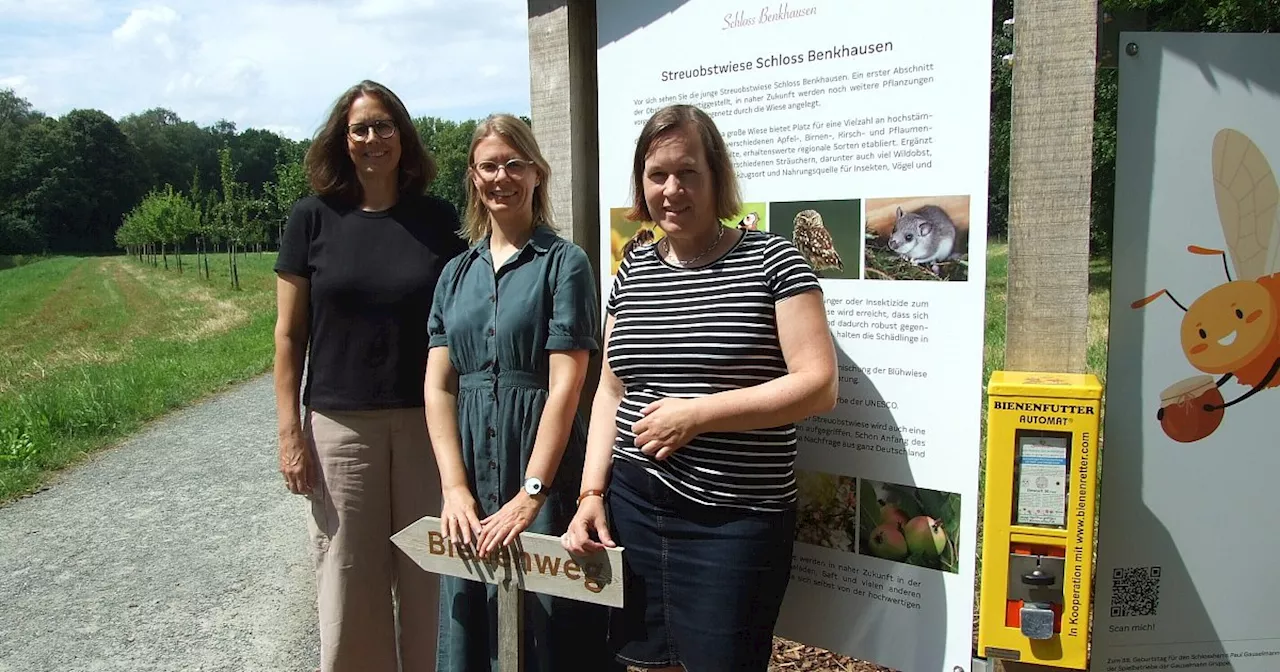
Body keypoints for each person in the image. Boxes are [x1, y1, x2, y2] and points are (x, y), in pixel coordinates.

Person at [561, 103, 839, 672]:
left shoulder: (774, 260)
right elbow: (610, 389)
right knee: (642, 663)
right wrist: (591, 495)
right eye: (656, 174)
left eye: (688, 172)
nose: (671, 189)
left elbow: (818, 386)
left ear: (716, 177)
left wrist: (698, 415)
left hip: (734, 520)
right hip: (635, 506)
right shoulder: (632, 268)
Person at [272, 79, 469, 672]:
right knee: (348, 575)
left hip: (424, 424)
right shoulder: (311, 218)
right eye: (360, 128)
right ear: (343, 139)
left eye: (384, 126)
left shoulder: (436, 219)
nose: (373, 138)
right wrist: (290, 434)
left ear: (403, 138)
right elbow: (288, 336)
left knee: (430, 572)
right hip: (340, 426)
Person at [424, 113, 622, 672]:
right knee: (474, 617)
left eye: (515, 164)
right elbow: (439, 386)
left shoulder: (566, 264)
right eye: (489, 165)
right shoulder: (454, 274)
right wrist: (454, 488)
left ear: (537, 174)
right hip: (471, 473)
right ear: (473, 176)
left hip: (544, 470)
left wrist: (532, 492)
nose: (501, 176)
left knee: (551, 629)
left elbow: (567, 385)